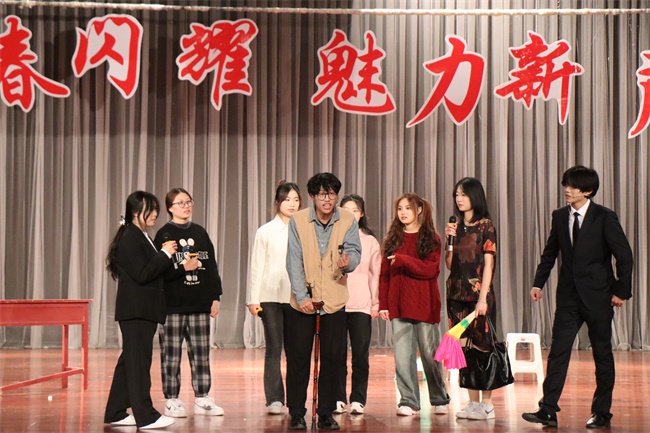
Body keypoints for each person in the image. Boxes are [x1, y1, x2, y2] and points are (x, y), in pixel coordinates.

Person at [522, 166, 633, 429]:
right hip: (568, 298)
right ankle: (547, 410)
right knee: (558, 353)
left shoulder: (605, 217)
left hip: (599, 298)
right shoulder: (560, 216)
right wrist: (538, 283)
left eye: (572, 186)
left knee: (602, 355)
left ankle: (601, 412)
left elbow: (624, 256)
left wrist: (621, 291)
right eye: (566, 185)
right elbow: (550, 253)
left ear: (588, 191)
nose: (567, 190)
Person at [104, 191, 197, 430]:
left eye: (156, 209)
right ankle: (146, 416)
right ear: (136, 212)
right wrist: (165, 253)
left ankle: (115, 411)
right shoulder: (130, 237)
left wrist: (177, 264)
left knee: (129, 363)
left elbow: (155, 273)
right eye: (150, 209)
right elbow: (143, 274)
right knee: (138, 365)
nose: (155, 213)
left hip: (142, 310)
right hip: (136, 310)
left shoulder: (141, 236)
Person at [285, 172, 362, 430]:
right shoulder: (298, 220)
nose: (327, 199)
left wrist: (348, 262)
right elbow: (294, 260)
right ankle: (297, 412)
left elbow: (354, 251)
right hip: (302, 301)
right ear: (312, 196)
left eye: (331, 194)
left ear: (336, 195)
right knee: (298, 358)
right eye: (321, 194)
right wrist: (302, 296)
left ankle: (326, 412)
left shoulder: (347, 219)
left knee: (333, 358)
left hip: (334, 299)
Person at [153, 188, 224, 418]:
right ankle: (172, 399)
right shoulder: (163, 234)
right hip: (172, 306)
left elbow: (211, 267)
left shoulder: (200, 232)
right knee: (171, 355)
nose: (185, 206)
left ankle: (202, 397)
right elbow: (158, 271)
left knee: (201, 354)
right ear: (170, 208)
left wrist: (215, 297)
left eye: (188, 202)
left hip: (199, 304)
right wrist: (183, 267)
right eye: (180, 203)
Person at [378, 192, 450, 417]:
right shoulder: (393, 239)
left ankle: (439, 398)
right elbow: (384, 275)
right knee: (403, 357)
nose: (403, 213)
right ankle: (408, 400)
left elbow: (430, 269)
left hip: (425, 304)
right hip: (399, 305)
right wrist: (383, 304)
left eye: (408, 208)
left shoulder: (431, 238)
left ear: (419, 210)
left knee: (429, 354)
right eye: (400, 208)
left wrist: (403, 260)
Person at [443, 177, 498, 420]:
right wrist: (449, 242)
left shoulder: (486, 226)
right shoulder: (455, 227)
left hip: (478, 296)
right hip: (456, 295)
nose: (459, 199)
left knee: (482, 347)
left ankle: (487, 404)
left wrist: (483, 298)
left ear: (475, 196)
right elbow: (449, 264)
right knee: (464, 350)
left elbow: (488, 265)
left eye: (464, 194)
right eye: (456, 194)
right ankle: (472, 403)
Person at [246, 181, 302, 415]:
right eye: (287, 199)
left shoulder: (304, 230)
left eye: (296, 200)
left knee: (295, 351)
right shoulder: (265, 231)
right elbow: (257, 266)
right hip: (269, 297)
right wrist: (253, 298)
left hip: (297, 297)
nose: (292, 204)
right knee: (273, 349)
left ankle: (296, 399)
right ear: (278, 202)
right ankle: (274, 399)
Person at [332, 194, 381, 415]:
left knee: (360, 354)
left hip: (361, 305)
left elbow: (375, 275)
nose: (351, 214)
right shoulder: (332, 236)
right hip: (336, 304)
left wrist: (375, 302)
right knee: (336, 354)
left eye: (355, 210)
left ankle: (358, 399)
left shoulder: (370, 241)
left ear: (361, 214)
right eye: (346, 210)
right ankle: (337, 397)